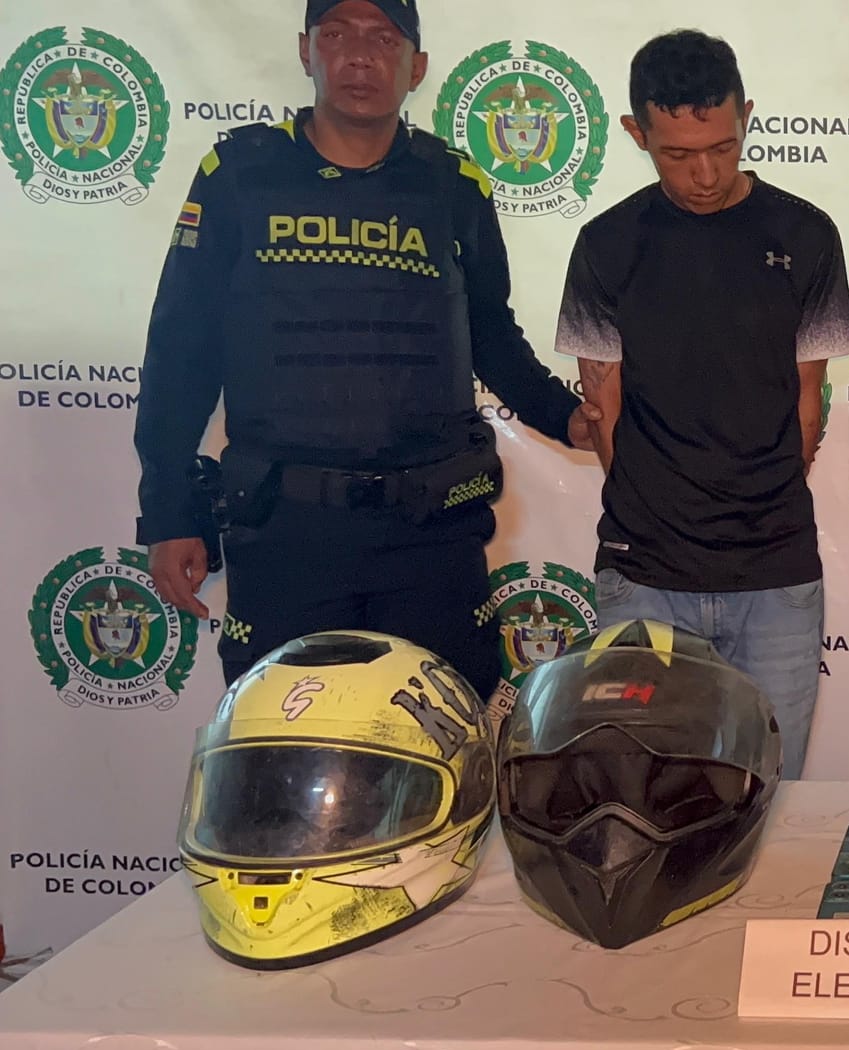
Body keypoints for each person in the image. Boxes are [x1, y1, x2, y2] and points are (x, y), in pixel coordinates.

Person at [134, 0, 598, 698]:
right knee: (284, 745)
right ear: (305, 50)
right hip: (288, 533)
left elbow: (490, 334)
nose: (359, 56)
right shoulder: (238, 174)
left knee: (445, 741)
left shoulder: (454, 183)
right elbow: (180, 351)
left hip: (430, 535)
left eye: (383, 38)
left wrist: (568, 418)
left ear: (417, 66)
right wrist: (169, 513)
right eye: (337, 35)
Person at [555, 30, 849, 782]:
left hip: (776, 567)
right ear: (636, 134)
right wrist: (661, 515)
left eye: (723, 146)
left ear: (747, 115)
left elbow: (809, 404)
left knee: (771, 792)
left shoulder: (808, 234)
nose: (705, 174)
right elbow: (603, 406)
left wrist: (754, 506)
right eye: (678, 155)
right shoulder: (606, 243)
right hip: (644, 574)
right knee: (644, 797)